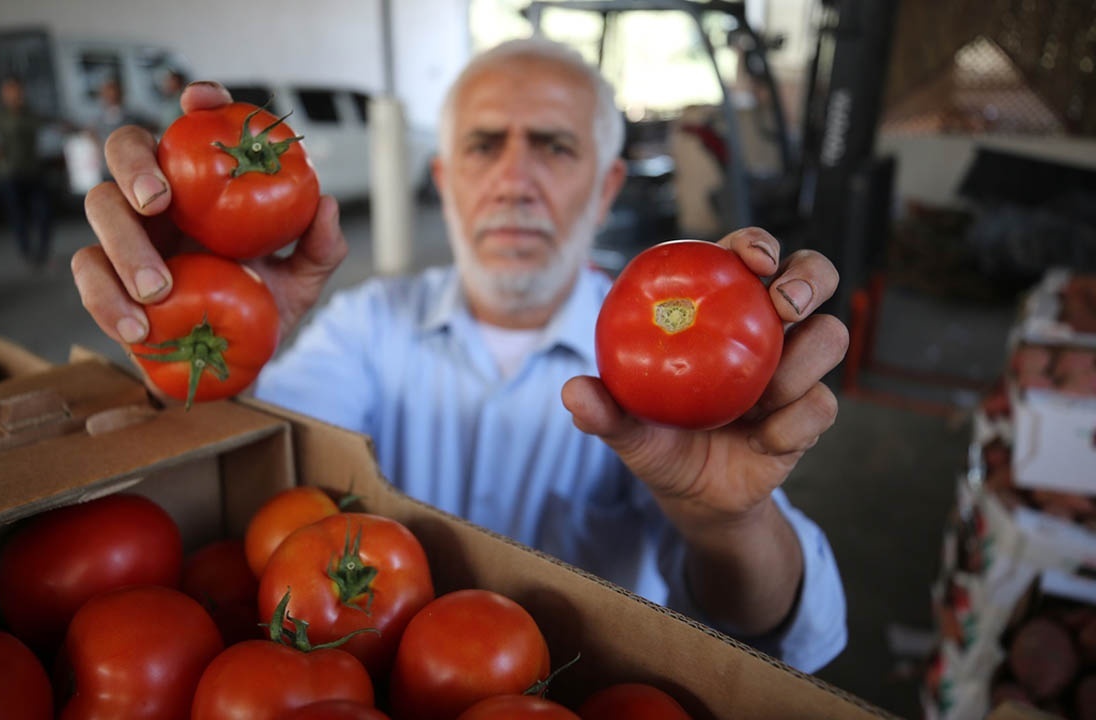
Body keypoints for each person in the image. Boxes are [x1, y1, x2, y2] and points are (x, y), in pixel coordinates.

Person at [71, 37, 849, 674]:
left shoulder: (694, 387)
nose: (514, 181)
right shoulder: (368, 327)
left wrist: (728, 524)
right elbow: (243, 476)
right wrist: (201, 316)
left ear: (607, 188)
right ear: (444, 181)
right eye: (484, 146)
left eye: (554, 146)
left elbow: (786, 634)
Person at [0, 75, 62, 271]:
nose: (16, 94)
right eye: (11, 91)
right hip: (8, 173)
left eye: (18, 90)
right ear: (4, 94)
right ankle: (27, 253)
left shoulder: (30, 113)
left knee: (44, 213)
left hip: (33, 171)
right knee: (19, 216)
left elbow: (55, 123)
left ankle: (43, 252)